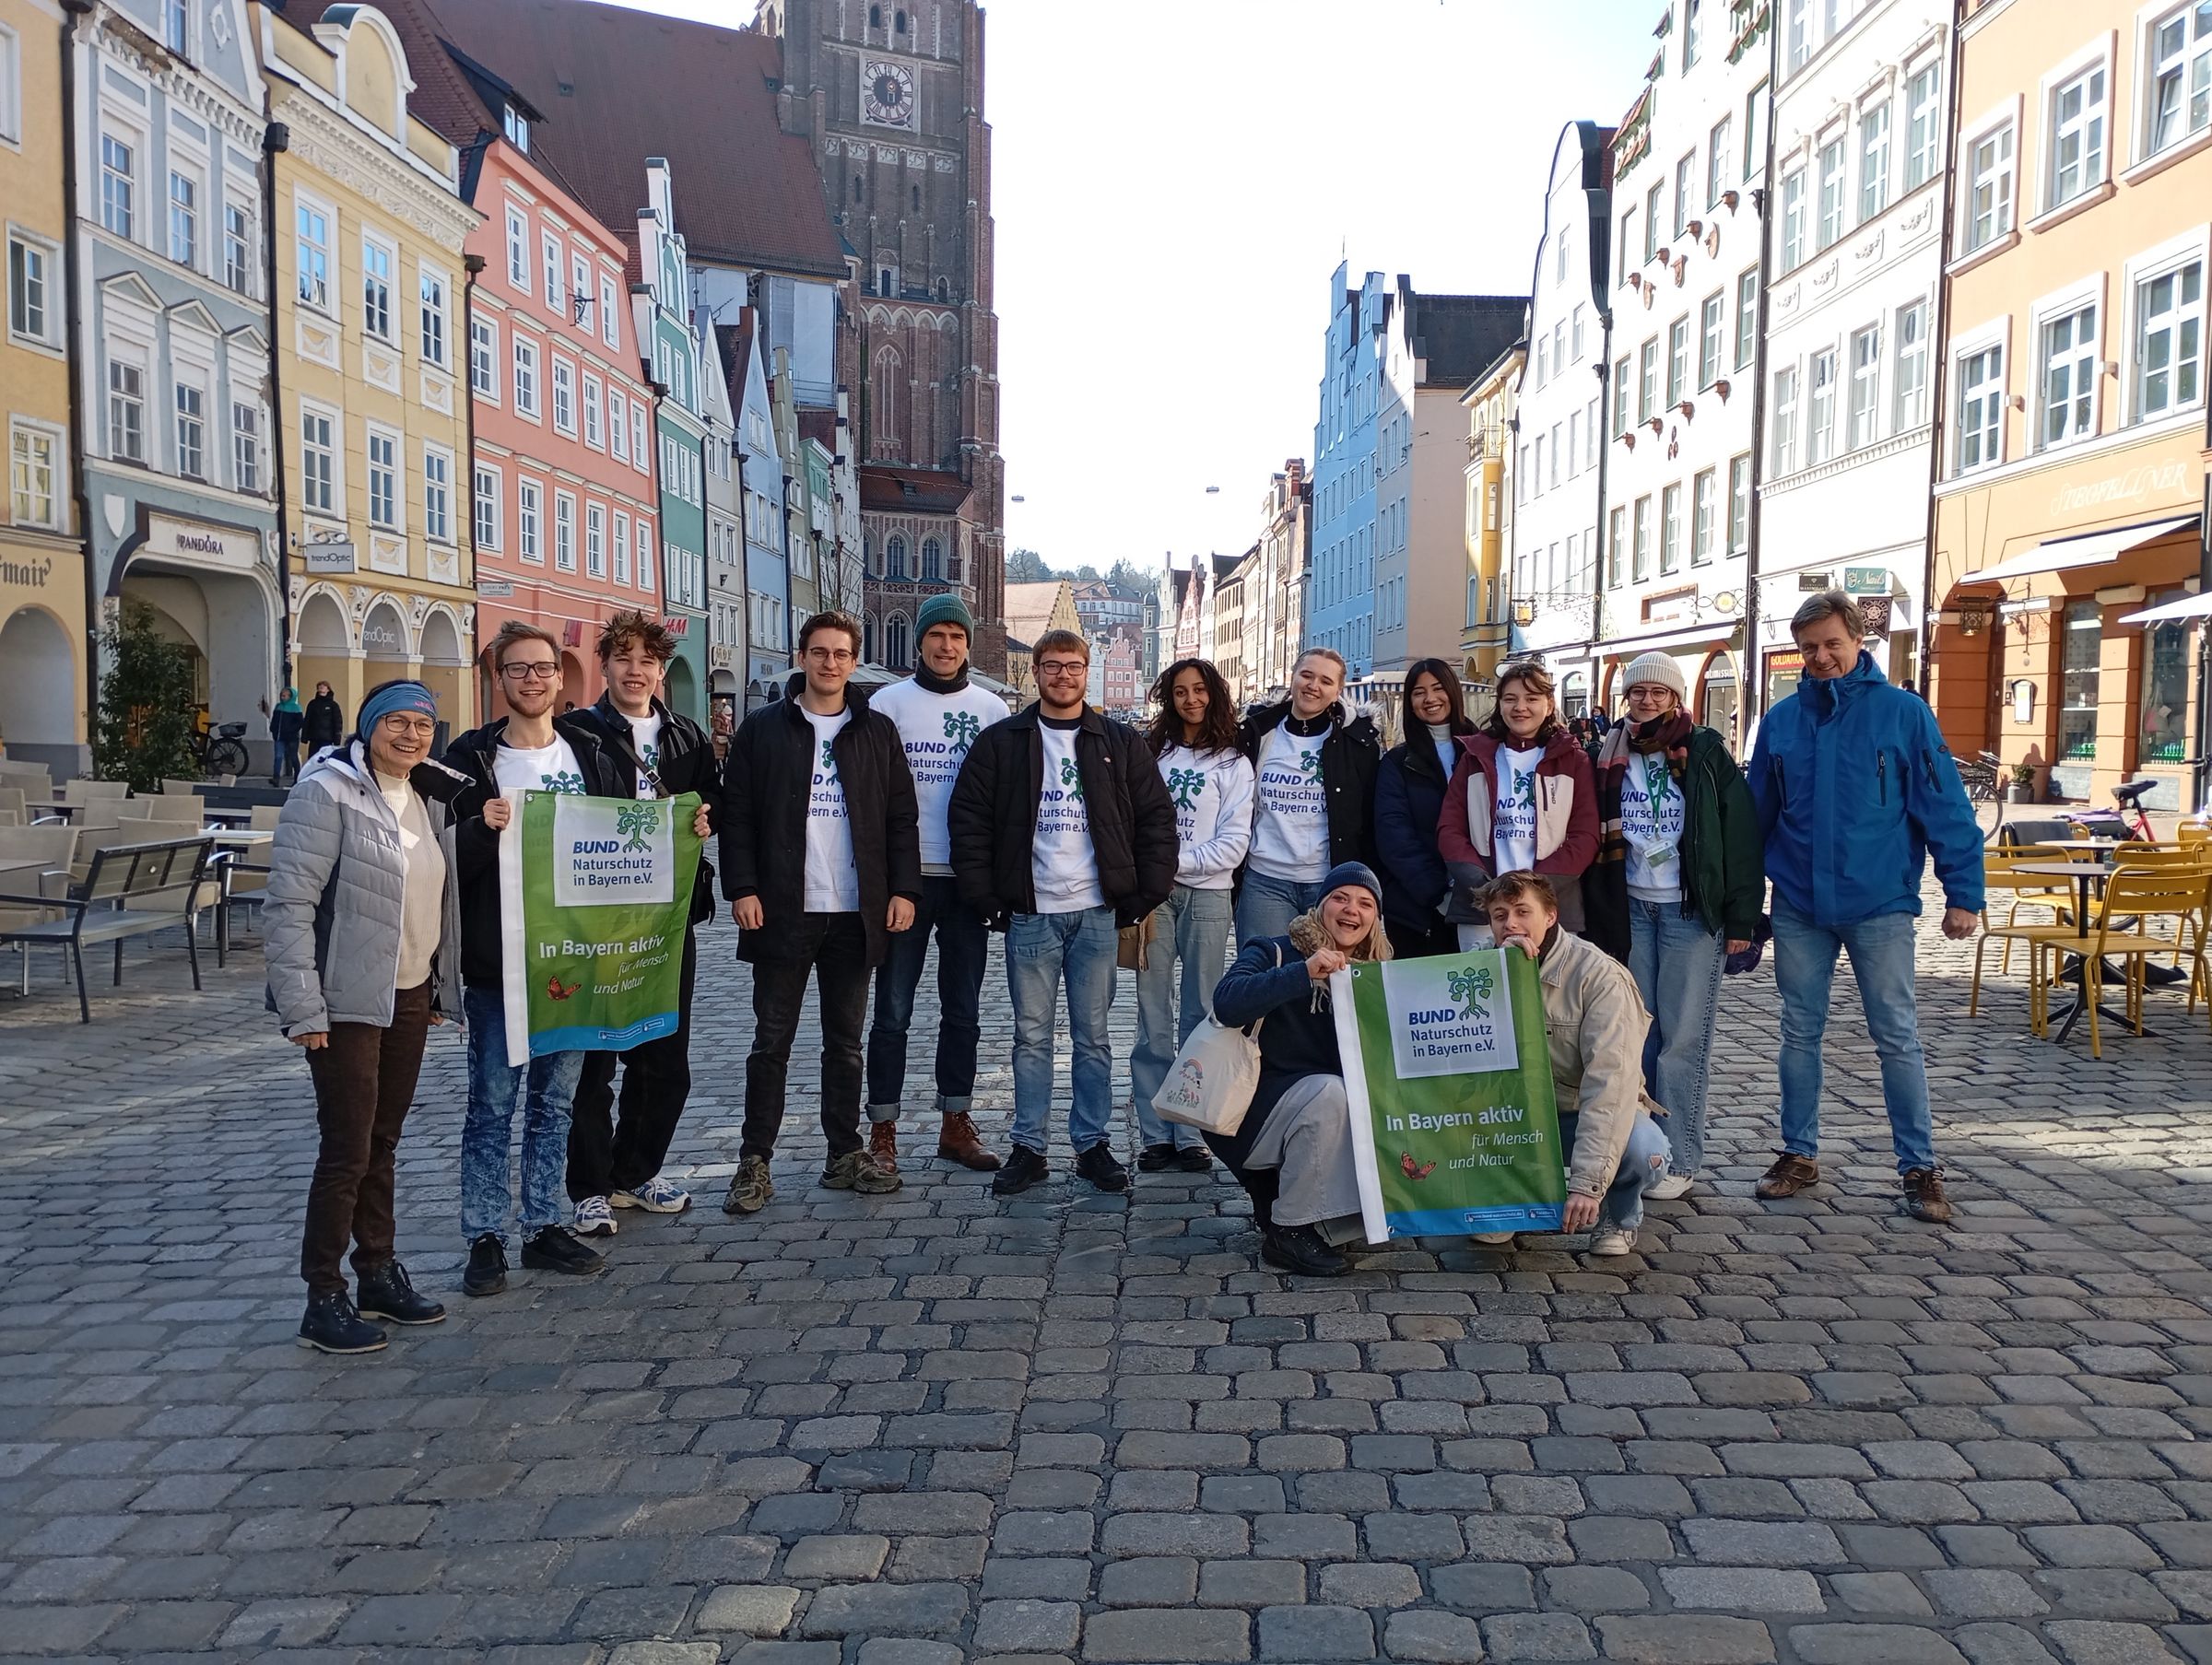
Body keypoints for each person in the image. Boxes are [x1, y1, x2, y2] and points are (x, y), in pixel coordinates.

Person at [1746, 591, 1983, 1225]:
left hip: (1878, 903)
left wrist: (1964, 892)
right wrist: (1745, 903)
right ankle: (1798, 1153)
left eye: (1831, 644)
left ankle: (1920, 1166)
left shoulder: (1903, 714)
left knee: (1896, 1036)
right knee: (1799, 1032)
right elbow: (1755, 817)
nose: (1821, 656)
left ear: (1857, 640)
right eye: (1809, 648)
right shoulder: (1782, 721)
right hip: (1798, 901)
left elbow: (1944, 805)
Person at [947, 627, 1178, 1196]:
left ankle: (1092, 1144)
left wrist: (1142, 894)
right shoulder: (1003, 741)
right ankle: (1029, 1146)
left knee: (1093, 1036)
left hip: (1097, 913)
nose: (1063, 676)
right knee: (1031, 1036)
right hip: (1030, 913)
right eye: (1052, 666)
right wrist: (987, 897)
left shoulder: (1120, 743)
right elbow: (969, 822)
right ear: (1038, 672)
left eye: (1074, 666)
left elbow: (1156, 821)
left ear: (1087, 670)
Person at [265, 681, 460, 1354]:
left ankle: (376, 1269)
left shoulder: (429, 794)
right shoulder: (327, 791)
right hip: (344, 999)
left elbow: (430, 898)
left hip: (407, 994)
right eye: (397, 723)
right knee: (347, 1147)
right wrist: (302, 1006)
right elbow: (289, 905)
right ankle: (323, 1294)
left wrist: (433, 988)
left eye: (423, 725)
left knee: (383, 1140)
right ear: (368, 726)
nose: (411, 736)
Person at [444, 622, 625, 1296]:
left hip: (574, 956)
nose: (532, 679)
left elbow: (624, 836)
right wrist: (474, 828)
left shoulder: (591, 751)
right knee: (491, 1102)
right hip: (499, 958)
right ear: (500, 679)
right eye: (517, 669)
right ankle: (485, 1234)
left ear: (558, 676)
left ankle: (545, 1223)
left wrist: (685, 830)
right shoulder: (468, 758)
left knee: (557, 1101)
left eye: (543, 668)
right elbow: (438, 858)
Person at [721, 611, 921, 1214]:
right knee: (771, 1042)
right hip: (784, 908)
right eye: (818, 652)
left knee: (846, 1043)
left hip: (853, 913)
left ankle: (842, 1152)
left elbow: (899, 819)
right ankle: (755, 1160)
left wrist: (903, 890)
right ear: (802, 656)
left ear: (853, 662)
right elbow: (737, 817)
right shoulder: (762, 730)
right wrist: (743, 888)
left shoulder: (875, 732)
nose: (829, 662)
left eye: (839, 653)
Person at [1582, 652, 1763, 1201]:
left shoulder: (1705, 750)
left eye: (1659, 692)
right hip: (1629, 908)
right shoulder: (1605, 752)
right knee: (1636, 1035)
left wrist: (1742, 917)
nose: (1647, 701)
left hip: (1690, 911)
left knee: (1682, 1039)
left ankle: (1680, 1155)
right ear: (1627, 698)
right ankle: (1639, 1147)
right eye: (1639, 692)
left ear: (1676, 698)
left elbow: (1740, 834)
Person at [565, 612, 719, 1237]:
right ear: (605, 665)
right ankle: (591, 1184)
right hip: (592, 917)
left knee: (664, 1054)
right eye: (624, 658)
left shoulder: (685, 736)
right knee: (595, 1057)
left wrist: (709, 819)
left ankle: (637, 1170)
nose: (636, 670)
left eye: (647, 660)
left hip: (666, 915)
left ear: (661, 670)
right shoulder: (575, 733)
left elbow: (714, 799)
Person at [863, 593, 1007, 1176]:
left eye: (956, 636)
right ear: (919, 642)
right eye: (936, 636)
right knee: (893, 1009)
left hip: (968, 880)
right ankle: (883, 1130)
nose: (947, 646)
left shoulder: (992, 709)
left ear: (968, 643)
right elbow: (871, 793)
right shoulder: (886, 703)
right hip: (908, 879)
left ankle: (955, 1122)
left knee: (963, 1010)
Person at [1206, 862, 1392, 1277]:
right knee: (1330, 1091)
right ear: (1321, 905)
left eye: (1365, 904)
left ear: (1375, 919)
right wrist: (1303, 972)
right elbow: (1227, 1002)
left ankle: (1285, 1199)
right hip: (1248, 1113)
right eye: (1340, 898)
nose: (1351, 910)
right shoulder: (1275, 950)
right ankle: (1288, 1231)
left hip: (1320, 1115)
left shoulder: (1378, 973)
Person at [1482, 872, 1674, 1256]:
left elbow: (1611, 1086)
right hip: (1517, 1117)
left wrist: (1587, 1183)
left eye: (1523, 912)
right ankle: (1511, 1204)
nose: (1511, 924)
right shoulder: (1479, 970)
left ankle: (1618, 1215)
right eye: (1500, 915)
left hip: (1577, 1111)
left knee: (1642, 1149)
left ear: (1551, 916)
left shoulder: (1600, 977)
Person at [1129, 657, 1254, 1172]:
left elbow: (1234, 841)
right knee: (1152, 1017)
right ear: (1169, 698)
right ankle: (1155, 1132)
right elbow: (1132, 819)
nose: (1191, 700)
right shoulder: (1151, 753)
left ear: (1214, 694)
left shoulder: (1232, 763)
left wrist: (1174, 864)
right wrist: (1154, 872)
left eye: (1199, 690)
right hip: (1155, 898)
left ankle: (1192, 1129)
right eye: (1180, 692)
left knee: (1202, 1013)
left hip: (1207, 897)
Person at [1437, 660, 1598, 946]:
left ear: (1549, 705)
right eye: (1510, 699)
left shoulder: (1574, 760)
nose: (1520, 707)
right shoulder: (1474, 757)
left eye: (1531, 698)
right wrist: (1487, 888)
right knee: (1487, 990)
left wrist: (1535, 891)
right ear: (1499, 705)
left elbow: (1585, 835)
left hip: (1550, 907)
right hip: (1482, 908)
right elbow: (1450, 829)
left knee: (1548, 991)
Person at [1234, 647, 1381, 947]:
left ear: (1338, 690)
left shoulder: (1358, 743)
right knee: (1265, 978)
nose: (1314, 686)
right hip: (1265, 880)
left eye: (1326, 681)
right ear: (1293, 679)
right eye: (1307, 675)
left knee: (1331, 982)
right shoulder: (1258, 733)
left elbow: (1368, 816)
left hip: (1329, 883)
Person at [1372, 659, 1478, 959]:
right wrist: (1437, 894)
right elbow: (1395, 836)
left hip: (1481, 904)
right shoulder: (1398, 762)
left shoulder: (1482, 750)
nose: (1430, 699)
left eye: (1438, 688)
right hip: (1416, 910)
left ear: (1453, 692)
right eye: (1419, 692)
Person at [269, 687, 305, 786]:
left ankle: (297, 778)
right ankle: (276, 778)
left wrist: (291, 730)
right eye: (282, 695)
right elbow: (274, 720)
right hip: (279, 736)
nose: (283, 698)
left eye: (285, 696)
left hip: (292, 737)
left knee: (293, 757)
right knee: (278, 757)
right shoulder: (278, 707)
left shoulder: (296, 708)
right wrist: (273, 729)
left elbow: (300, 723)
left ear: (291, 697)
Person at [303, 680, 345, 758]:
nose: (321, 687)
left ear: (328, 689)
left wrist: (337, 739)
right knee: (312, 758)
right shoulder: (312, 704)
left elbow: (338, 722)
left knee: (325, 758)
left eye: (324, 686)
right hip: (314, 737)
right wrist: (304, 737)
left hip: (327, 738)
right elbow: (307, 720)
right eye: (320, 686)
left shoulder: (333, 705)